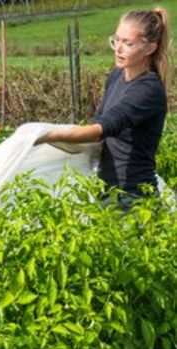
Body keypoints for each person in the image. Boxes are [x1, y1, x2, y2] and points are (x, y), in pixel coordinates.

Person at [35, 8, 171, 210]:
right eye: (116, 40)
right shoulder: (117, 76)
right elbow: (98, 127)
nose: (119, 49)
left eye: (128, 43)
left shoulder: (148, 89)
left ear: (150, 48)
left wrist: (47, 135)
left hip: (135, 197)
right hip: (107, 190)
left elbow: (103, 128)